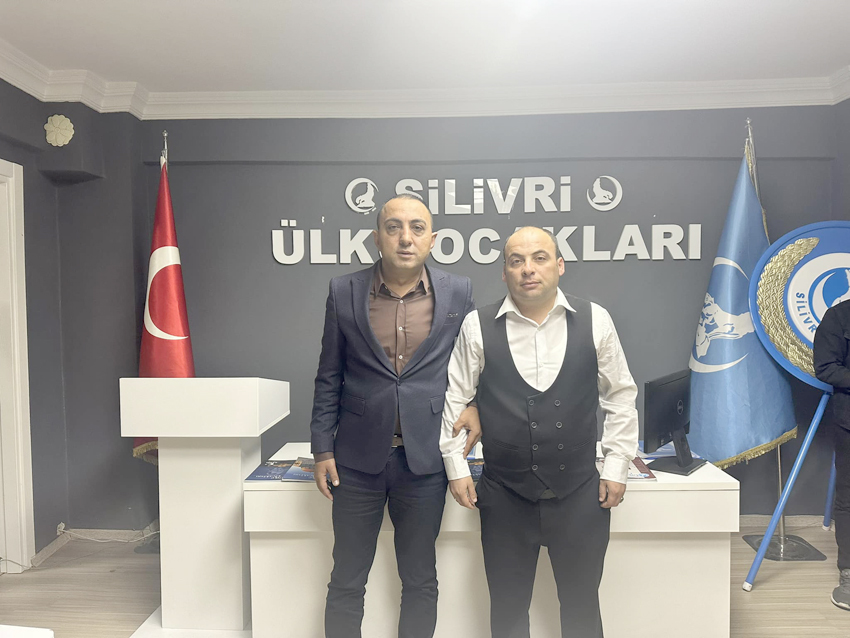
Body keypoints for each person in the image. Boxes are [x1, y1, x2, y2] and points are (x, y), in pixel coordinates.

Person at [439, 226, 638, 638]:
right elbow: (457, 397)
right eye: (516, 261)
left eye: (539, 258)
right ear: (504, 272)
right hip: (504, 496)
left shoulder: (595, 319)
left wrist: (616, 466)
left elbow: (620, 395)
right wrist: (455, 466)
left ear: (560, 265)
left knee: (582, 611)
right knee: (507, 613)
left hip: (580, 495)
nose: (528, 269)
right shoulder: (477, 326)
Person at [310, 193, 478, 638]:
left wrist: (475, 404)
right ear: (376, 237)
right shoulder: (343, 290)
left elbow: (473, 364)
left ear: (432, 239)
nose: (406, 237)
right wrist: (322, 447)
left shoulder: (459, 291)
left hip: (424, 461)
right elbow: (329, 374)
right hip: (355, 462)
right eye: (394, 227)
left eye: (417, 228)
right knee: (347, 580)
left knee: (420, 580)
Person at [814, 298, 850, 611]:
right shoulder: (838, 317)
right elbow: (825, 368)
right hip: (849, 423)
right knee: (849, 499)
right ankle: (848, 573)